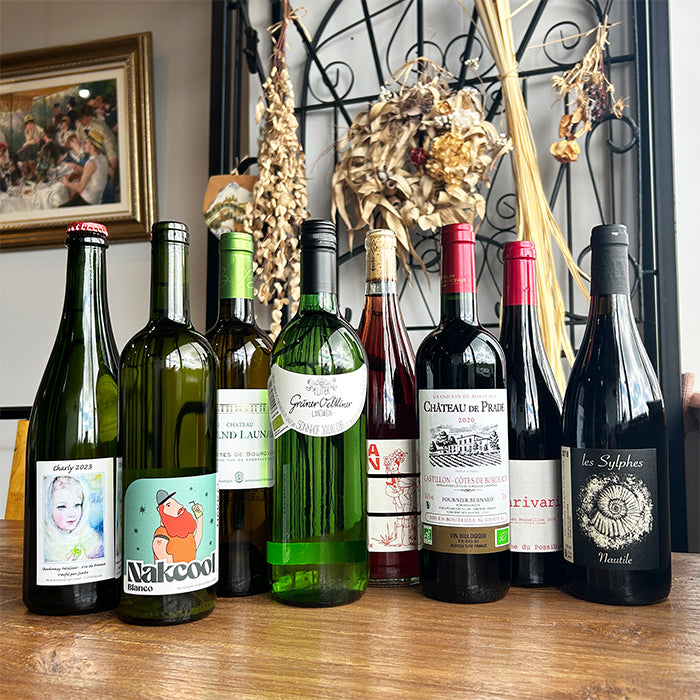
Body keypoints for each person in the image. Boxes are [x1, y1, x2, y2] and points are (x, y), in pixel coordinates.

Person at [43, 475, 104, 562]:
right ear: (48, 508)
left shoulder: (93, 540)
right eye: (62, 506)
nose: (72, 514)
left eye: (77, 505)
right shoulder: (43, 542)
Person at [152, 490, 204, 564]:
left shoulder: (184, 531)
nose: (179, 506)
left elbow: (193, 546)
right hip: (175, 571)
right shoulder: (161, 535)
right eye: (168, 505)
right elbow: (165, 560)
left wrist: (199, 517)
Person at [60, 129, 108, 207]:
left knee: (60, 208)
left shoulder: (91, 162)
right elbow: (92, 171)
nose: (84, 145)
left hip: (89, 199)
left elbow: (80, 188)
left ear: (92, 147)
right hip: (95, 195)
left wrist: (67, 183)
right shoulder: (101, 157)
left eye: (86, 143)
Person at [16, 114, 44, 179]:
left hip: (39, 146)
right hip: (31, 146)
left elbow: (36, 141)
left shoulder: (38, 129)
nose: (29, 125)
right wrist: (30, 135)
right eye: (27, 124)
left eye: (31, 123)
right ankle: (26, 172)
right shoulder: (26, 131)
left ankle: (33, 172)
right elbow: (29, 141)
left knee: (30, 152)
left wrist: (27, 143)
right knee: (22, 153)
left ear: (33, 123)